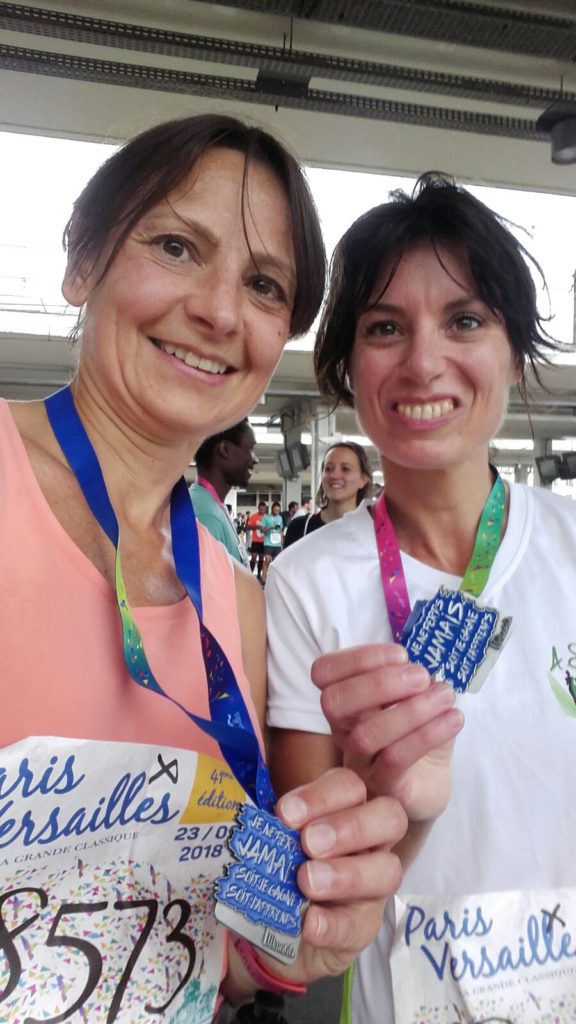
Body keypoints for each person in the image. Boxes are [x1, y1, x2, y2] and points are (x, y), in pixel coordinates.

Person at [0, 114, 409, 1024]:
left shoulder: (238, 600)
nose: (221, 312)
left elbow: (212, 954)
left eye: (264, 285)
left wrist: (286, 942)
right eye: (177, 246)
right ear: (82, 262)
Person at [265, 173, 576, 1022]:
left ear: (514, 352)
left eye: (465, 320)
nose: (423, 362)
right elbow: (311, 881)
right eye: (384, 327)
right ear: (347, 366)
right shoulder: (305, 582)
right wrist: (380, 797)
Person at [190, 419, 256, 566]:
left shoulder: (210, 505)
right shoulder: (206, 516)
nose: (255, 459)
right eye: (251, 449)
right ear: (225, 449)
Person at [283, 441, 372, 548]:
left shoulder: (374, 530)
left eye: (345, 469)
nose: (334, 475)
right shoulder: (299, 528)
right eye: (328, 468)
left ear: (364, 479)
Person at [260, 501, 284, 582]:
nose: (276, 512)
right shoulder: (266, 517)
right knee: (267, 560)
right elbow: (262, 530)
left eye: (278, 511)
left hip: (277, 543)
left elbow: (281, 530)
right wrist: (270, 528)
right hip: (268, 542)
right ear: (272, 509)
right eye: (275, 510)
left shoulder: (280, 518)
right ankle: (263, 579)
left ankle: (273, 581)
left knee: (275, 563)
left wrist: (282, 543)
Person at [247, 501, 267, 579]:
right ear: (258, 508)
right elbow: (248, 527)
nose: (262, 511)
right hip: (255, 541)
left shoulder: (267, 517)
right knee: (254, 557)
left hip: (264, 541)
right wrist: (256, 527)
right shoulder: (253, 516)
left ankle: (259, 574)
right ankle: (250, 574)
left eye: (264, 509)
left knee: (261, 558)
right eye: (261, 509)